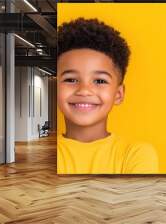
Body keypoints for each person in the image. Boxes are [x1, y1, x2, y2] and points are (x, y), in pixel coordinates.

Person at [57, 18, 158, 174]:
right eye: (71, 79)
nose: (84, 90)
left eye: (99, 81)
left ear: (118, 94)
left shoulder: (135, 154)